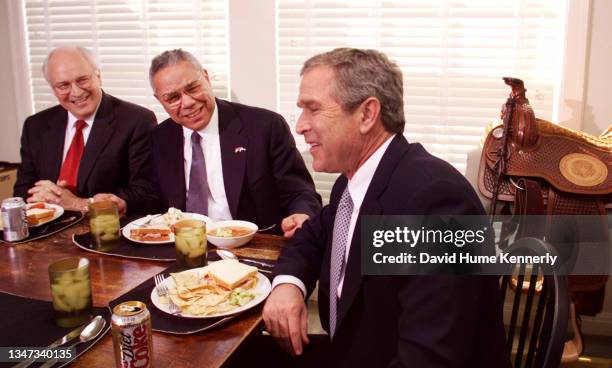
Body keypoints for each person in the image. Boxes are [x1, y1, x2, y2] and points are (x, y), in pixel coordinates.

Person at [262, 48, 510, 367]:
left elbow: (429, 358)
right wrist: (288, 284)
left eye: (313, 109)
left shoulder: (434, 203)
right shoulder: (353, 183)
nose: (299, 126)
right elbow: (312, 236)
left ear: (367, 114)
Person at [142, 49, 321, 237]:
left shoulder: (264, 126)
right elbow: (154, 200)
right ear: (159, 100)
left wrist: (301, 214)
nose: (187, 102)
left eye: (193, 88)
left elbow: (299, 192)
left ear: (206, 78)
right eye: (172, 98)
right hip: (185, 246)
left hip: (255, 245)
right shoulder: (160, 137)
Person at [13, 46, 157, 214]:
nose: (76, 92)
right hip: (49, 230)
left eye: (82, 80)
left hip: (106, 230)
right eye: (63, 85)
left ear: (98, 76)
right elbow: (23, 192)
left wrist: (78, 203)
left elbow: (146, 193)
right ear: (53, 89)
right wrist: (39, 199)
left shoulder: (137, 120)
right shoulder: (35, 125)